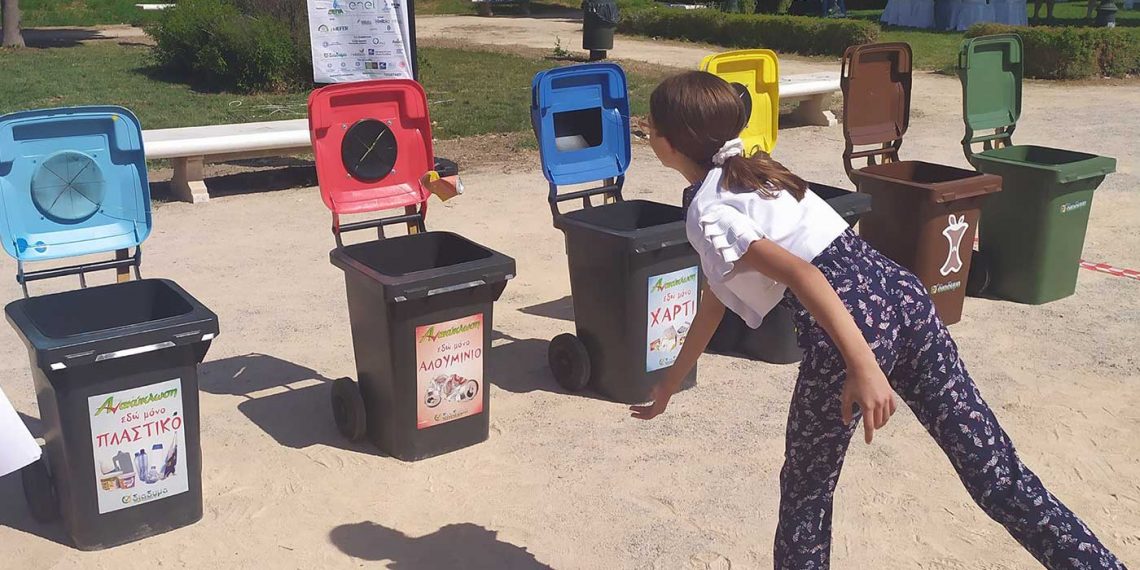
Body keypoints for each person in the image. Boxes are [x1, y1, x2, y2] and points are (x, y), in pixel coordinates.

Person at [629, 71, 1125, 570]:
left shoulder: (709, 208)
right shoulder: (757, 171)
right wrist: (671, 382)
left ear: (665, 144)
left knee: (807, 491)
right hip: (903, 296)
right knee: (993, 470)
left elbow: (802, 274)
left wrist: (862, 366)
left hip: (850, 326)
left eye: (649, 127)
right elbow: (716, 293)